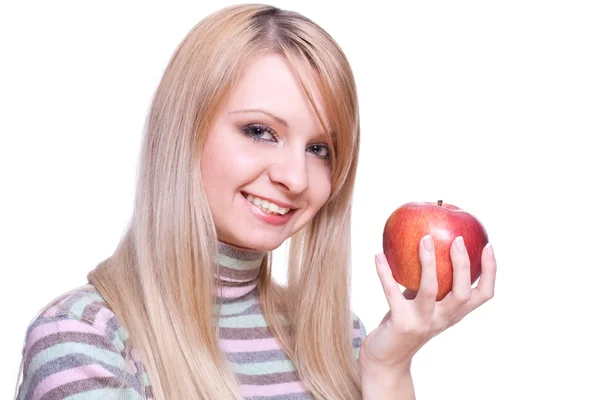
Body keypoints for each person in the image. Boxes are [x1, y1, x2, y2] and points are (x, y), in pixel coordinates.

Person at [15, 4, 497, 400]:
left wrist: (388, 368)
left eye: (319, 149)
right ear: (184, 131)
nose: (294, 177)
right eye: (260, 132)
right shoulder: (82, 340)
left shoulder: (342, 342)